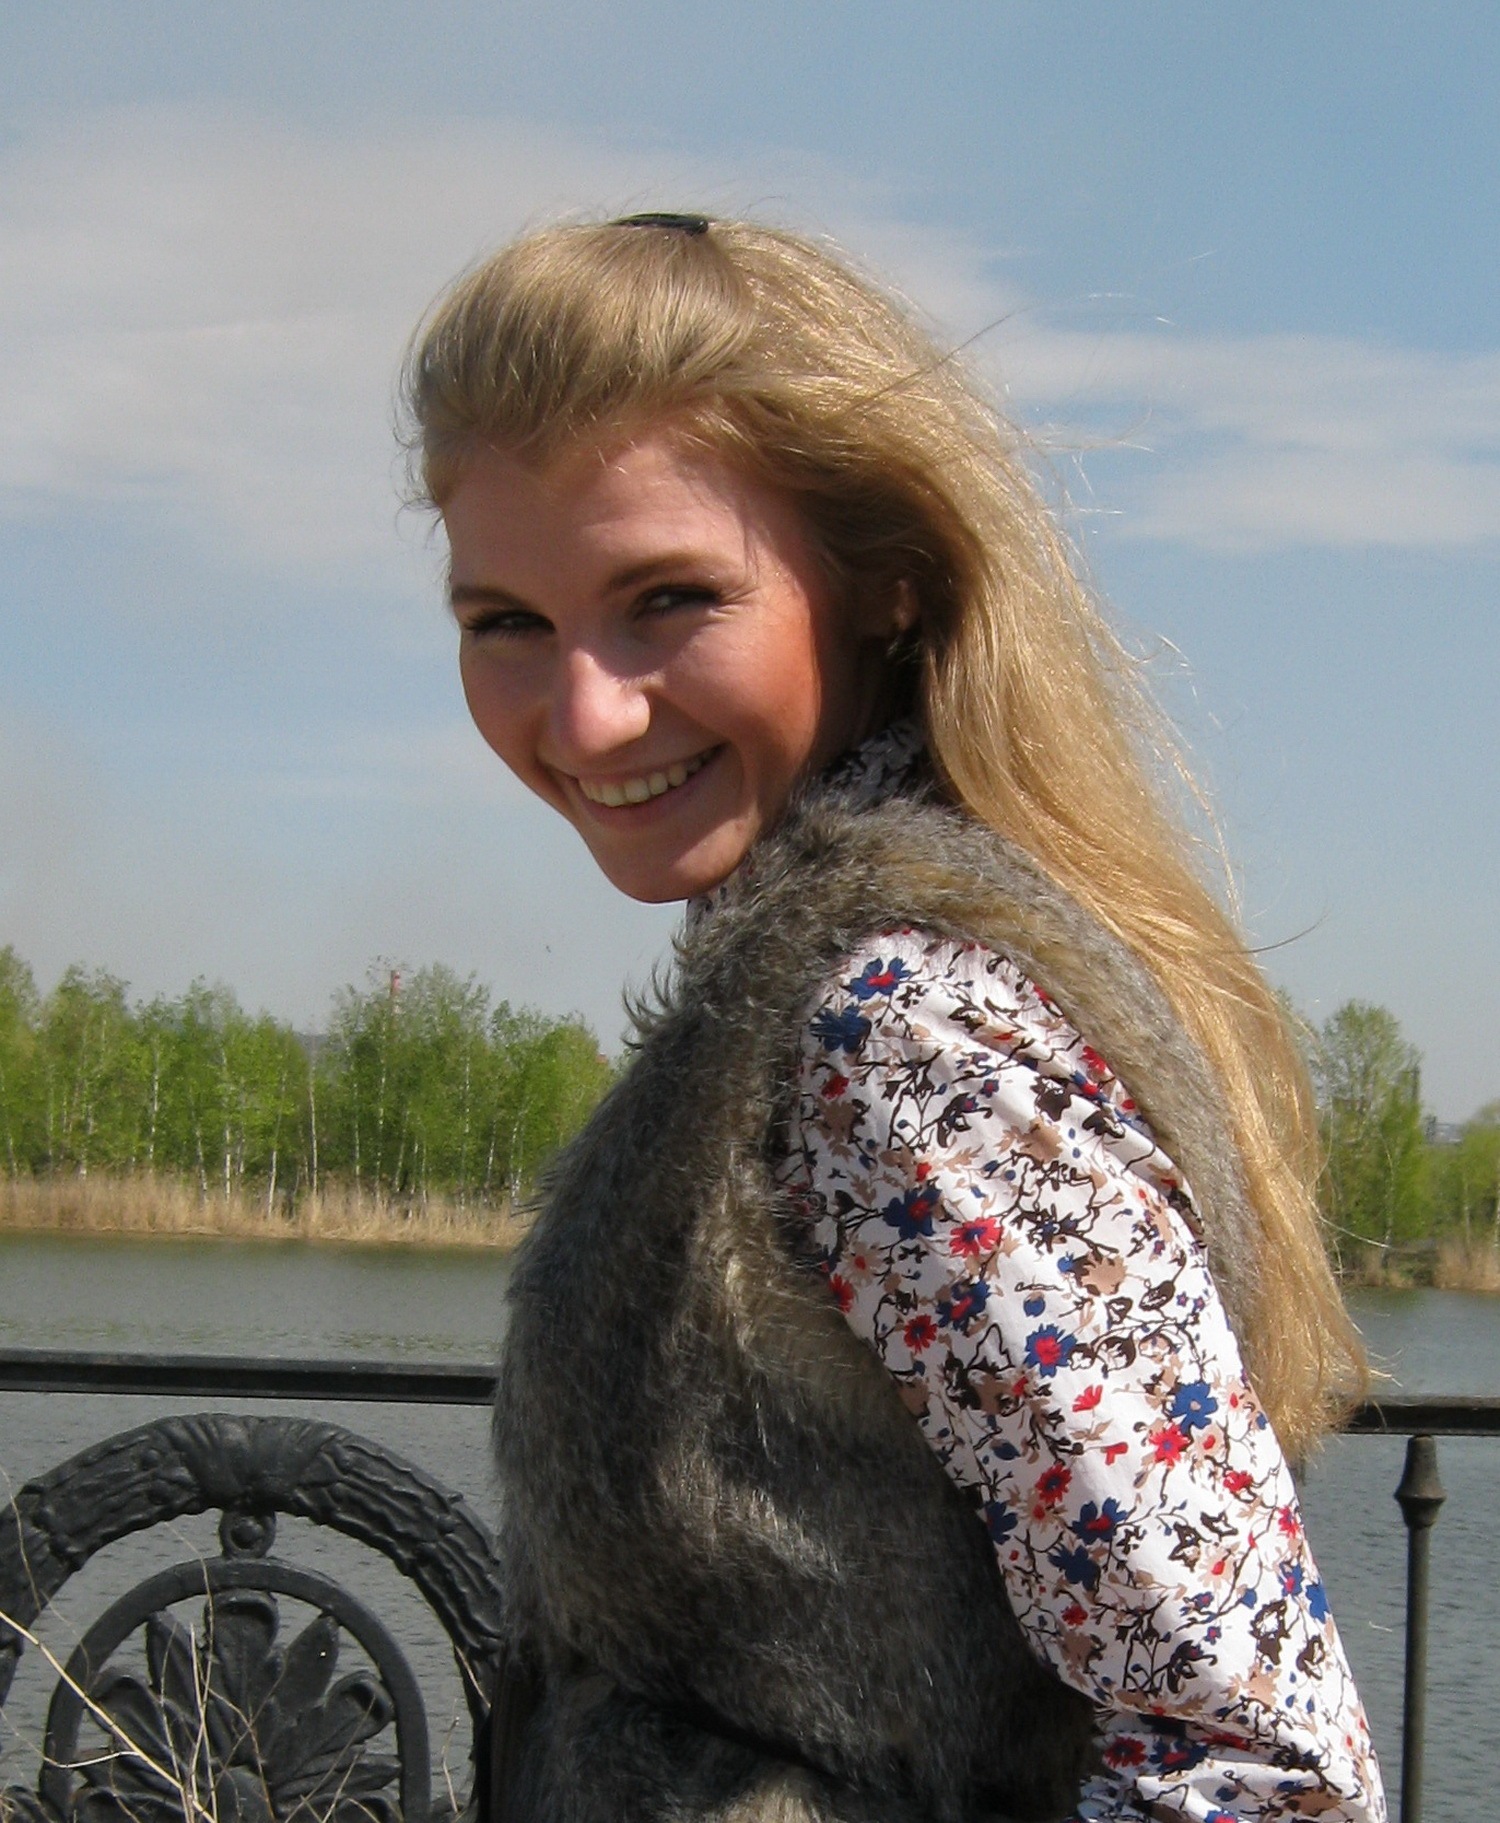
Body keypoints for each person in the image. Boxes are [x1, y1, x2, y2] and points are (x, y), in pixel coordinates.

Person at [402, 215, 1386, 1823]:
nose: (583, 710)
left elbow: (1263, 1776)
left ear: (885, 588)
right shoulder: (817, 977)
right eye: (504, 619)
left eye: (669, 598)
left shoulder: (907, 1034)